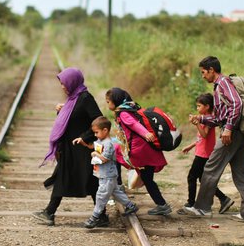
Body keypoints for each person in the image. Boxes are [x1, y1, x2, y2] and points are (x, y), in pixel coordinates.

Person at [180, 56, 244, 224]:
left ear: (211, 70)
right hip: (238, 133)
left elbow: (236, 104)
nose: (202, 76)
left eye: (203, 72)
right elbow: (220, 118)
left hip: (231, 134)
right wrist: (201, 119)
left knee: (210, 168)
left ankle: (202, 208)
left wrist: (228, 128)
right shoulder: (219, 86)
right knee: (240, 172)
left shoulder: (222, 83)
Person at [32, 67, 105, 226]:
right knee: (65, 178)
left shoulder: (85, 98)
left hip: (82, 148)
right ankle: (50, 212)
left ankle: (51, 212)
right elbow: (71, 120)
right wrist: (62, 110)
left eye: (64, 83)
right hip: (70, 149)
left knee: (90, 181)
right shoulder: (73, 99)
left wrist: (84, 137)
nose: (63, 87)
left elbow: (99, 121)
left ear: (73, 82)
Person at [105, 87, 174, 216]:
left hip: (139, 151)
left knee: (114, 154)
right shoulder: (131, 108)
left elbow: (133, 125)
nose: (107, 104)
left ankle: (119, 186)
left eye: (108, 101)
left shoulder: (123, 113)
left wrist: (146, 133)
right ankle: (162, 205)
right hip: (147, 148)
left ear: (115, 101)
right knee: (148, 179)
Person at [79, 116, 139, 228]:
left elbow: (105, 158)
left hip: (107, 175)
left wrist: (95, 154)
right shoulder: (100, 140)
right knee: (116, 192)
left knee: (101, 196)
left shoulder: (108, 144)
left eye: (96, 132)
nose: (95, 135)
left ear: (105, 130)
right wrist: (86, 145)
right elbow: (95, 146)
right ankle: (130, 206)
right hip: (106, 174)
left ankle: (95, 217)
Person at [179, 93, 233, 214]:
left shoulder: (209, 120)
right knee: (204, 180)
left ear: (207, 106)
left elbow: (204, 134)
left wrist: (197, 123)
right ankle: (224, 199)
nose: (197, 108)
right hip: (202, 152)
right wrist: (191, 145)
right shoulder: (203, 117)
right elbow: (201, 138)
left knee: (192, 177)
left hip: (203, 155)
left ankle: (191, 203)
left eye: (199, 106)